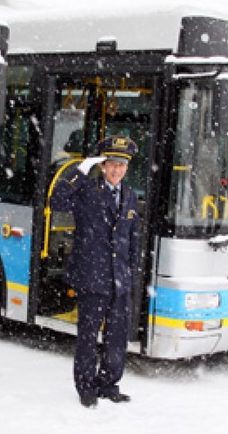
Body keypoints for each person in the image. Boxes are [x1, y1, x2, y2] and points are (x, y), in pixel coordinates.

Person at [50, 135, 140, 409]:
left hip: (118, 280)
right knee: (88, 338)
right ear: (102, 166)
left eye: (122, 166)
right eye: (112, 164)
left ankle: (109, 384)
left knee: (117, 337)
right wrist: (79, 171)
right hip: (92, 278)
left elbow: (132, 238)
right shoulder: (87, 190)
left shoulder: (130, 195)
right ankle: (86, 387)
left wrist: (130, 274)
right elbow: (57, 201)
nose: (117, 171)